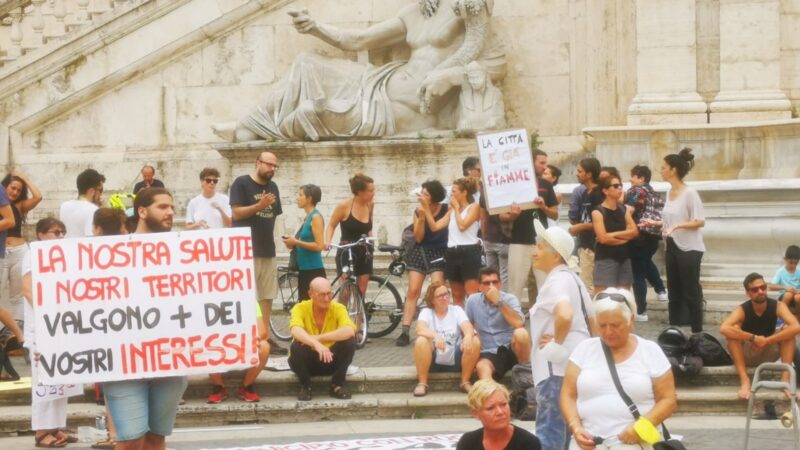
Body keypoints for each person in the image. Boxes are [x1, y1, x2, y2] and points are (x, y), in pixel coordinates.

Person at [228, 0, 504, 142]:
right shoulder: (415, 13)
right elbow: (358, 40)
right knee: (306, 62)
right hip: (381, 80)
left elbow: (494, 63)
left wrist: (448, 74)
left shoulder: (470, 9)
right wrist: (315, 28)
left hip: (402, 109)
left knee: (315, 111)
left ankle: (270, 129)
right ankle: (250, 124)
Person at [102, 188, 188, 450]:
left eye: (172, 207)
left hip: (170, 358)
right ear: (142, 211)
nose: (171, 212)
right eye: (162, 207)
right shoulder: (111, 253)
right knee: (130, 440)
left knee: (155, 439)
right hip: (124, 361)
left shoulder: (186, 252)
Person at [561, 288, 677, 450]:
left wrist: (641, 426)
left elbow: (668, 400)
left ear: (632, 321)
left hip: (635, 442)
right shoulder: (584, 349)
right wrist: (575, 427)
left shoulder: (650, 351)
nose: (608, 332)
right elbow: (568, 394)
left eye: (615, 325)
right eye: (602, 325)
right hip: (590, 443)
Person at [529, 221, 593, 450]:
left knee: (550, 434)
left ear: (556, 255)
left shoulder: (556, 281)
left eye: (540, 247)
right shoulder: (574, 280)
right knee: (566, 430)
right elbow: (592, 319)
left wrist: (556, 342)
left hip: (555, 369)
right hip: (576, 364)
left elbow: (564, 314)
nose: (534, 251)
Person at [20, 218, 77, 448]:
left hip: (59, 326)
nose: (60, 236)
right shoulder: (32, 254)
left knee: (60, 378)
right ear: (41, 234)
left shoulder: (62, 257)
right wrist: (46, 313)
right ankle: (42, 431)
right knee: (43, 380)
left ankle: (56, 427)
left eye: (63, 232)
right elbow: (27, 288)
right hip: (42, 326)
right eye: (55, 232)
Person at [229, 151, 287, 355]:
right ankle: (247, 335)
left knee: (267, 295)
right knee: (247, 295)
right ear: (258, 163)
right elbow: (236, 213)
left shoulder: (273, 187)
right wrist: (259, 205)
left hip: (267, 249)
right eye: (269, 165)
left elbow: (274, 216)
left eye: (275, 166)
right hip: (245, 250)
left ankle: (264, 337)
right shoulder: (241, 183)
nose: (272, 169)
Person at [641, 148, 705, 332]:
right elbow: (671, 221)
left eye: (664, 167)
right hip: (672, 246)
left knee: (691, 292)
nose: (661, 171)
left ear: (674, 170)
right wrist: (654, 222)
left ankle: (697, 332)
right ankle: (673, 331)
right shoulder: (669, 193)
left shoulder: (690, 193)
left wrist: (677, 226)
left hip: (690, 249)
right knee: (674, 292)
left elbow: (699, 221)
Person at [720, 273, 800, 400]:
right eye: (755, 289)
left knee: (788, 331)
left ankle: (785, 380)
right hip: (748, 353)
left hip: (768, 351)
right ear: (748, 293)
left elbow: (796, 326)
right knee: (733, 331)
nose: (761, 291)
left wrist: (767, 340)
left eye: (763, 287)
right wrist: (753, 338)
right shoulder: (742, 309)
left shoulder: (778, 306)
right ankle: (745, 381)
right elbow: (724, 328)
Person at [395, 180, 449, 347]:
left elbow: (438, 229)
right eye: (422, 193)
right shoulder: (418, 211)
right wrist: (421, 217)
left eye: (426, 194)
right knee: (413, 291)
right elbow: (418, 237)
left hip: (439, 251)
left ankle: (438, 328)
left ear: (434, 197)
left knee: (437, 289)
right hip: (420, 251)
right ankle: (405, 330)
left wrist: (427, 211)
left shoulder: (445, 210)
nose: (422, 196)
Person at [504, 149, 558, 305]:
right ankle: (513, 324)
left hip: (542, 241)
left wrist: (544, 207)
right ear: (531, 163)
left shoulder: (546, 184)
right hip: (519, 240)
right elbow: (502, 215)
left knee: (545, 286)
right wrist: (513, 215)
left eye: (545, 163)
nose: (545, 167)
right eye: (541, 163)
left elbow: (554, 214)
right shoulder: (513, 184)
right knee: (515, 287)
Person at [288, 277, 356, 401]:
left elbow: (350, 330)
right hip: (308, 362)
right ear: (311, 294)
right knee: (296, 347)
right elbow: (295, 330)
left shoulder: (339, 308)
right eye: (322, 295)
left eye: (329, 293)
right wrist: (315, 344)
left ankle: (337, 384)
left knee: (349, 342)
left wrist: (318, 338)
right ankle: (306, 386)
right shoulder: (300, 308)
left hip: (330, 359)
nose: (326, 299)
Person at [413, 281, 480, 396]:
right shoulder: (426, 312)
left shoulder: (456, 310)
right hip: (432, 359)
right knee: (421, 341)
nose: (445, 297)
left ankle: (465, 382)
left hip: (455, 358)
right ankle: (422, 383)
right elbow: (420, 329)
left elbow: (467, 326)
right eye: (440, 296)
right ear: (432, 300)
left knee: (474, 340)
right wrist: (435, 336)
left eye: (446, 293)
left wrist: (468, 336)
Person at [424, 177, 482, 307]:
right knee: (456, 294)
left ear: (464, 193)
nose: (451, 194)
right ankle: (460, 325)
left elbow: (463, 226)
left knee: (471, 294)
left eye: (454, 191)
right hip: (452, 251)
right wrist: (426, 209)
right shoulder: (451, 211)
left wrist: (456, 209)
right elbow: (435, 227)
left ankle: (472, 325)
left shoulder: (474, 207)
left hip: (469, 251)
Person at [466, 267, 530, 381]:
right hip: (489, 351)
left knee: (521, 333)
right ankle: (490, 393)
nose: (491, 286)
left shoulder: (510, 299)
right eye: (486, 283)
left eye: (494, 282)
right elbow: (467, 326)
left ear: (500, 284)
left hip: (511, 348)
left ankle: (525, 375)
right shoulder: (472, 301)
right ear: (479, 287)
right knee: (482, 367)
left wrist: (499, 302)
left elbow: (519, 323)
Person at [624, 165, 668, 322]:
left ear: (641, 178)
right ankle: (661, 291)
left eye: (633, 176)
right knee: (646, 262)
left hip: (639, 236)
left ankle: (641, 311)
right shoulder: (654, 193)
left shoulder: (636, 191)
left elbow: (627, 210)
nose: (630, 179)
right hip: (653, 236)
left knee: (638, 274)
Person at [325, 173, 375, 296]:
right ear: (359, 191)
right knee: (345, 291)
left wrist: (372, 242)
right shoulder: (344, 206)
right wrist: (327, 241)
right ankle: (342, 315)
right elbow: (331, 225)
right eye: (370, 191)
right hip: (347, 250)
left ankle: (359, 315)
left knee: (361, 291)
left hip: (365, 250)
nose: (373, 193)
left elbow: (369, 226)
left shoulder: (370, 204)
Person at [456, 379, 541, 450]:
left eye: (503, 404)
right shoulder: (468, 443)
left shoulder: (528, 443)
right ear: (476, 413)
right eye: (490, 408)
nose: (500, 412)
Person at [0, 171, 39, 322]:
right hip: (2, 252)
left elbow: (38, 197)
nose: (15, 192)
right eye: (12, 188)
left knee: (18, 295)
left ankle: (19, 331)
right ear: (5, 186)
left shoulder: (20, 206)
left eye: (19, 190)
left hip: (19, 251)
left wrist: (25, 178)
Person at [591, 175, 638, 295]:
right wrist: (624, 238)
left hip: (624, 257)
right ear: (605, 190)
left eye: (621, 186)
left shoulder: (623, 209)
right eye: (616, 186)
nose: (620, 189)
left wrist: (613, 235)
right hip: (605, 259)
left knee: (624, 295)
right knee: (602, 296)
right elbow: (603, 238)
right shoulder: (598, 212)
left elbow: (634, 231)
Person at [282, 184, 326, 300]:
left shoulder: (316, 217)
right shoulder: (307, 218)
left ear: (309, 198)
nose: (297, 198)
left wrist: (297, 242)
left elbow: (319, 245)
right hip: (304, 269)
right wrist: (292, 242)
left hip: (313, 270)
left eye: (301, 195)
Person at [569, 158, 602, 294]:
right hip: (584, 244)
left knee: (589, 287)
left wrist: (580, 227)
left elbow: (600, 222)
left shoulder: (598, 194)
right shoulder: (583, 193)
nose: (577, 174)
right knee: (585, 284)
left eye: (580, 171)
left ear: (589, 174)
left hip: (594, 246)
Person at [60, 168, 105, 238]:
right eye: (100, 190)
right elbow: (91, 238)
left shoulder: (64, 205)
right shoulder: (93, 210)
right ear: (91, 191)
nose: (101, 195)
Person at [770, 245, 800, 320]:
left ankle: (798, 318)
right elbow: (771, 286)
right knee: (788, 295)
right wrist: (785, 287)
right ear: (785, 259)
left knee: (798, 297)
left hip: (797, 296)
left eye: (795, 263)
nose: (793, 265)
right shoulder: (780, 272)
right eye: (791, 263)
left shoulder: (799, 271)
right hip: (784, 296)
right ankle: (782, 317)